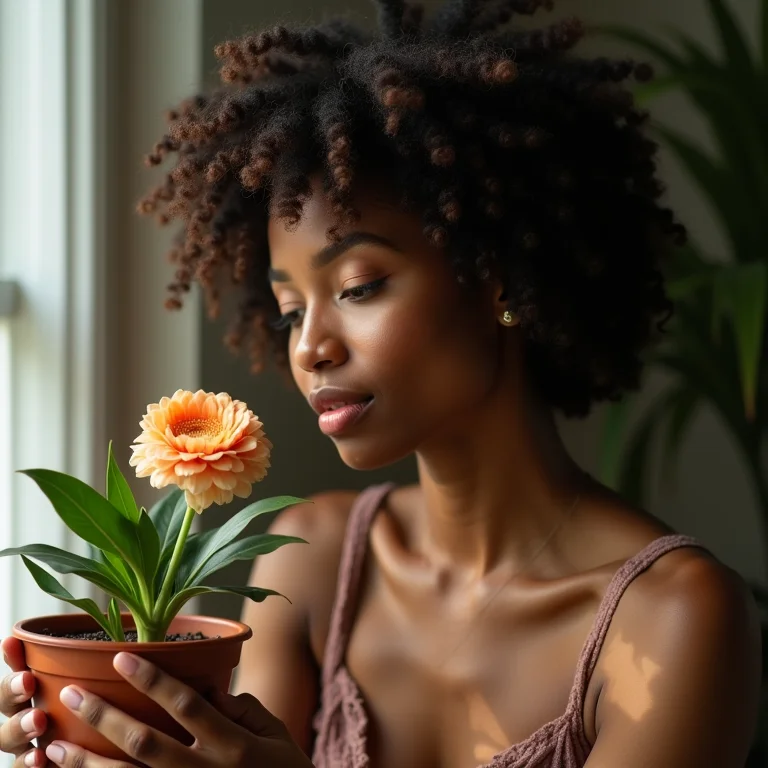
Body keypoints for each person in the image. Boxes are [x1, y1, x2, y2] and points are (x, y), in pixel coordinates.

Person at [0, 0, 762, 766]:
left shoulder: (673, 618)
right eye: (291, 309)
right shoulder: (314, 562)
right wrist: (84, 734)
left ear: (497, 278)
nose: (311, 348)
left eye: (359, 286)